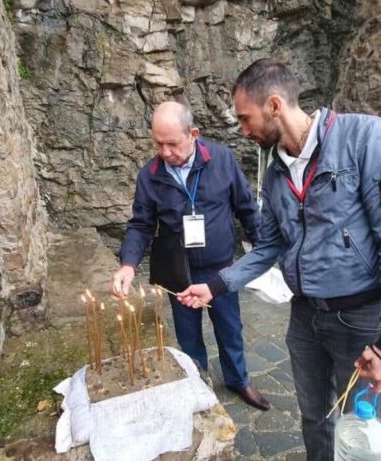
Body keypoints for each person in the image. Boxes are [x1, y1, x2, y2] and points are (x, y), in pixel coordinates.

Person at [177, 58, 381, 460]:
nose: (243, 131)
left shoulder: (367, 138)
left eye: (245, 118)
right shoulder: (275, 173)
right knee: (314, 418)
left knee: (364, 431)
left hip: (359, 319)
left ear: (274, 105)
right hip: (305, 318)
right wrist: (216, 286)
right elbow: (268, 247)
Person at [111, 101, 271, 411]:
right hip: (177, 272)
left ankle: (238, 380)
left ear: (193, 134)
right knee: (188, 337)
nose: (165, 152)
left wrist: (264, 251)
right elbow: (141, 225)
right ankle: (197, 385)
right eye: (158, 143)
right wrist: (128, 265)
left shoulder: (222, 159)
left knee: (230, 329)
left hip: (220, 271)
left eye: (172, 143)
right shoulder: (150, 175)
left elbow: (247, 208)